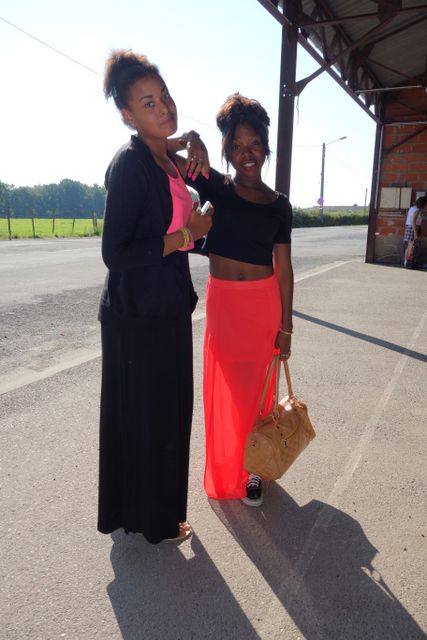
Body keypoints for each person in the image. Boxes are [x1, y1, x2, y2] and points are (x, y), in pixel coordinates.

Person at [97, 50, 212, 544]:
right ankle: (157, 522)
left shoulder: (164, 157)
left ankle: (144, 514)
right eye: (148, 103)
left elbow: (187, 174)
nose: (163, 107)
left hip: (166, 307)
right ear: (128, 115)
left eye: (164, 96)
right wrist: (187, 235)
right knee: (151, 419)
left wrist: (193, 140)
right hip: (137, 317)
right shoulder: (130, 164)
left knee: (163, 415)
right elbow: (115, 253)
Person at [172, 94, 293, 507]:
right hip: (224, 305)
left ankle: (255, 470)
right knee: (228, 388)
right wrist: (191, 140)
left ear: (266, 147)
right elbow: (162, 157)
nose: (247, 154)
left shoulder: (280, 205)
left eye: (255, 144)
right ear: (226, 150)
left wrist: (287, 327)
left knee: (258, 393)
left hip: (263, 308)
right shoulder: (215, 185)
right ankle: (231, 464)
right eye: (237, 146)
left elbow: (284, 268)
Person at [404, 196, 426, 268]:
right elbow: (413, 222)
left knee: (409, 245)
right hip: (413, 227)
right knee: (411, 245)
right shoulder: (417, 210)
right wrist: (415, 233)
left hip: (409, 227)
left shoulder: (412, 208)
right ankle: (409, 262)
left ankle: (406, 262)